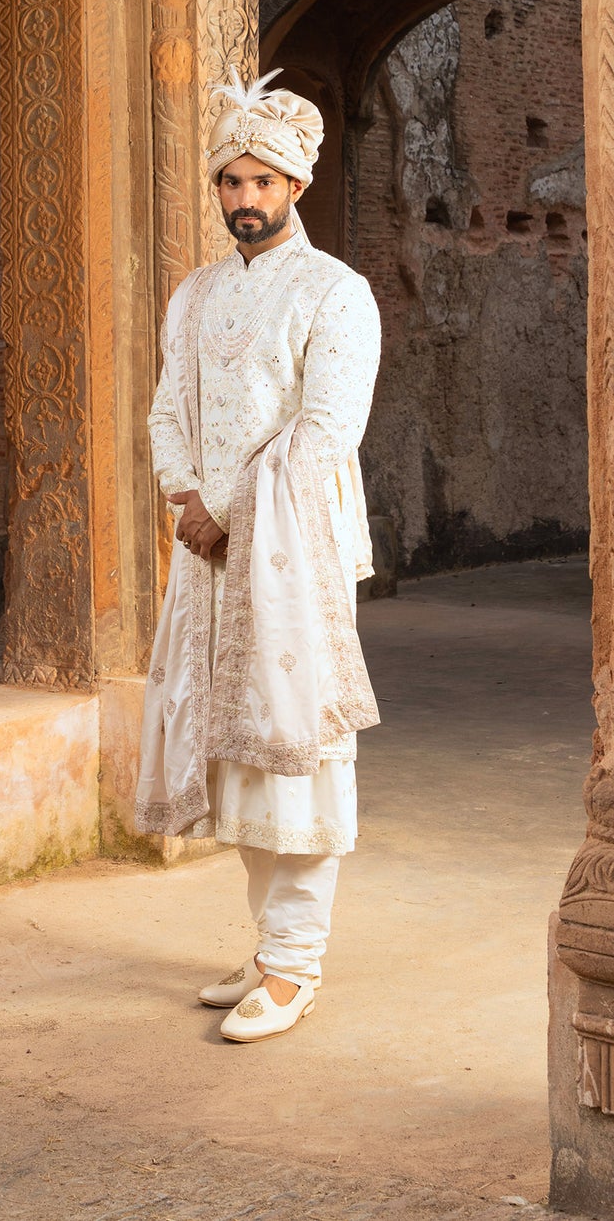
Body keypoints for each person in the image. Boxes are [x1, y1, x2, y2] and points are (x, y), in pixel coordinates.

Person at [136, 68, 382, 1041]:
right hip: (205, 549)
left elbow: (326, 430)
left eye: (260, 182)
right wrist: (185, 498)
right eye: (228, 182)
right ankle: (266, 945)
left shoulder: (336, 293)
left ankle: (294, 967)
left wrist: (229, 511)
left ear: (294, 187)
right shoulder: (194, 296)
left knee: (294, 749)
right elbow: (166, 409)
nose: (242, 198)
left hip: (292, 552)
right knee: (234, 749)